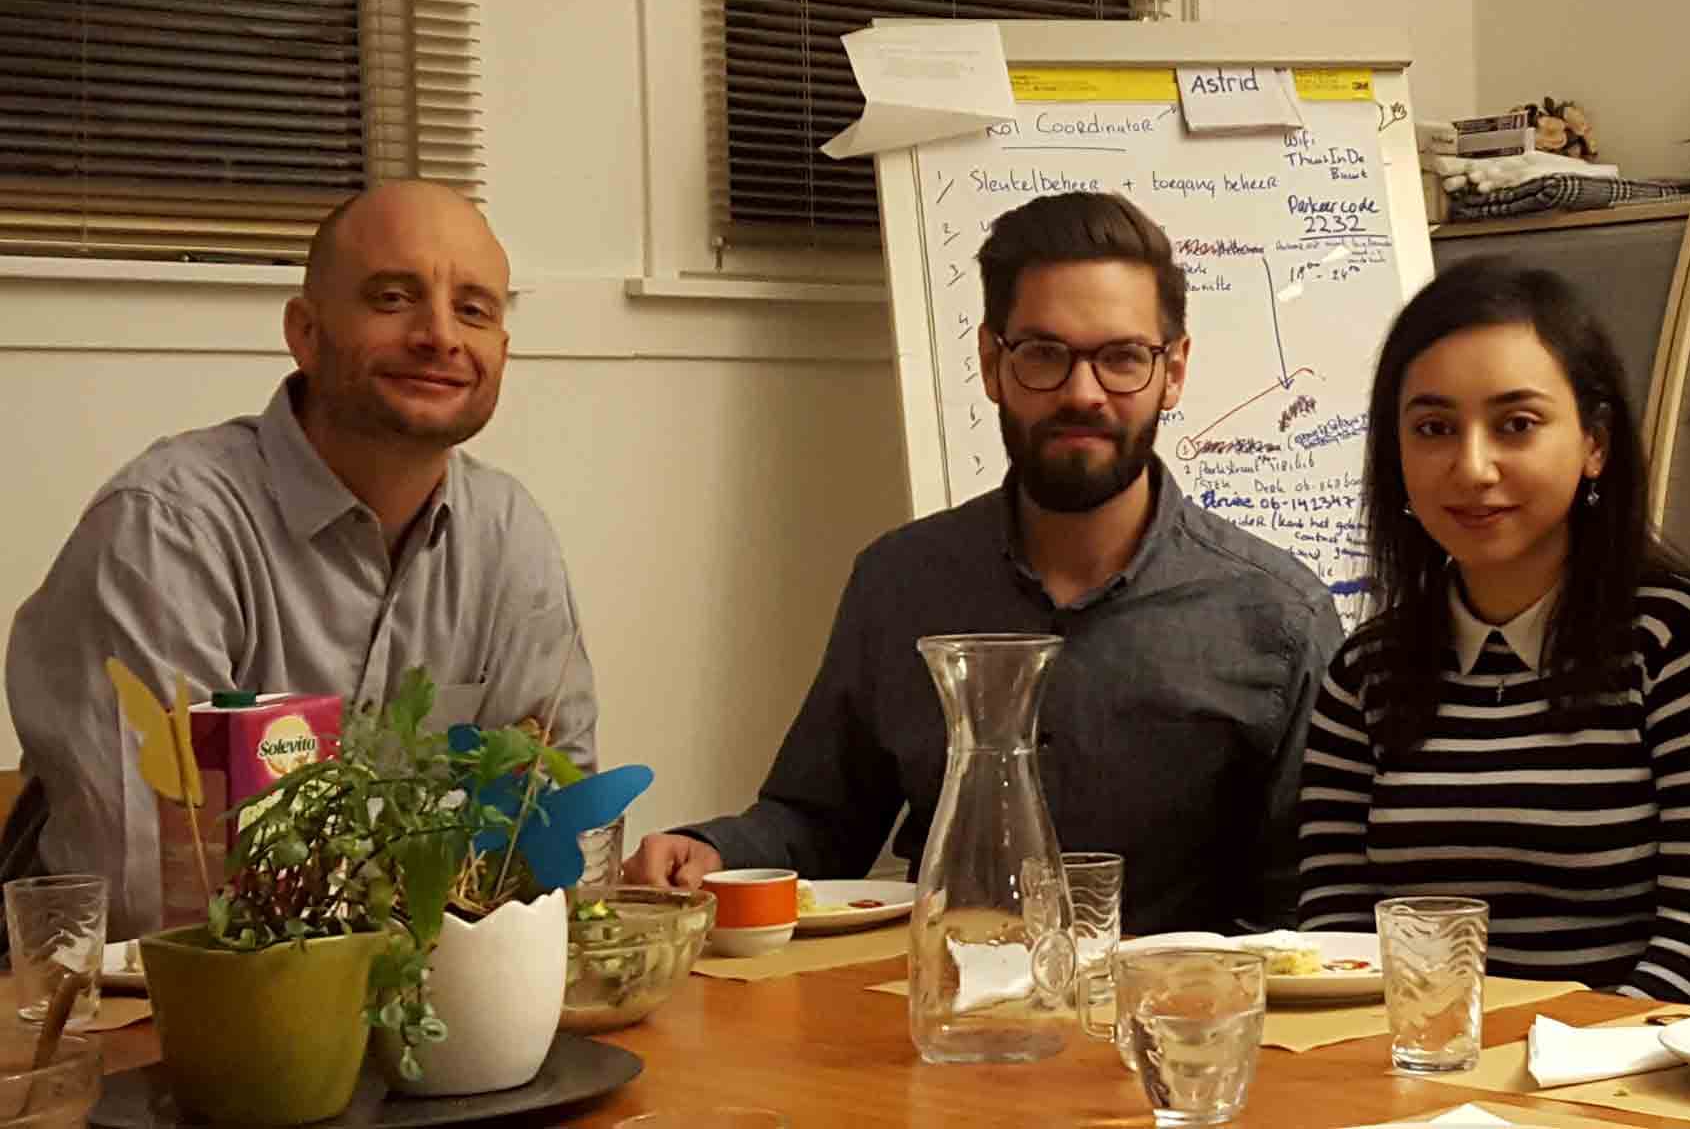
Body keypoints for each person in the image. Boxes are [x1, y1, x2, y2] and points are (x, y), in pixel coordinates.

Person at [625, 192, 1338, 935]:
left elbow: (1301, 905)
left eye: (1123, 357)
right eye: (1043, 355)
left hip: (1175, 1027)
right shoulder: (900, 584)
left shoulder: (1277, 619)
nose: (1082, 393)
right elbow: (821, 822)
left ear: (1174, 370)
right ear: (992, 364)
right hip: (947, 1016)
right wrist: (714, 851)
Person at [4, 181, 598, 937]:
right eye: (393, 298)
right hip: (143, 1014)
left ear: (501, 353)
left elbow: (550, 831)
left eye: (474, 311)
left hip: (426, 1006)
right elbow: (154, 890)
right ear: (306, 332)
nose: (441, 336)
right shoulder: (167, 529)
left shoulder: (512, 535)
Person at [1296, 258, 1690, 1003]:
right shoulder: (1364, 672)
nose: (1473, 466)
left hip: (1623, 1089)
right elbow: (1335, 936)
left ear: (1595, 443)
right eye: (1434, 428)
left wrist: (1537, 1080)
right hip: (1413, 1082)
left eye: (1517, 425)